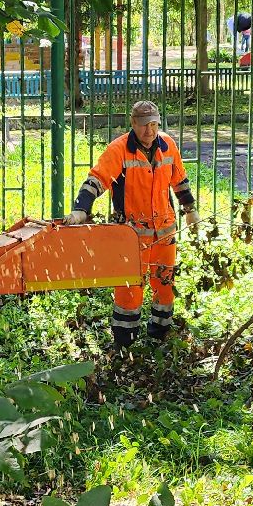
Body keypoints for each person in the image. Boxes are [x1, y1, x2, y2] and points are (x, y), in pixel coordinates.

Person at [68, 100, 199, 348]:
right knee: (129, 290)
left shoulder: (168, 145)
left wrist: (190, 210)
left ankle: (160, 337)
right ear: (133, 124)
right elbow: (96, 181)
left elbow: (179, 180)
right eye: (143, 125)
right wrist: (80, 210)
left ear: (159, 123)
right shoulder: (118, 150)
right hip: (130, 236)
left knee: (164, 284)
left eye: (153, 125)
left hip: (164, 232)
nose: (149, 131)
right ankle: (124, 345)